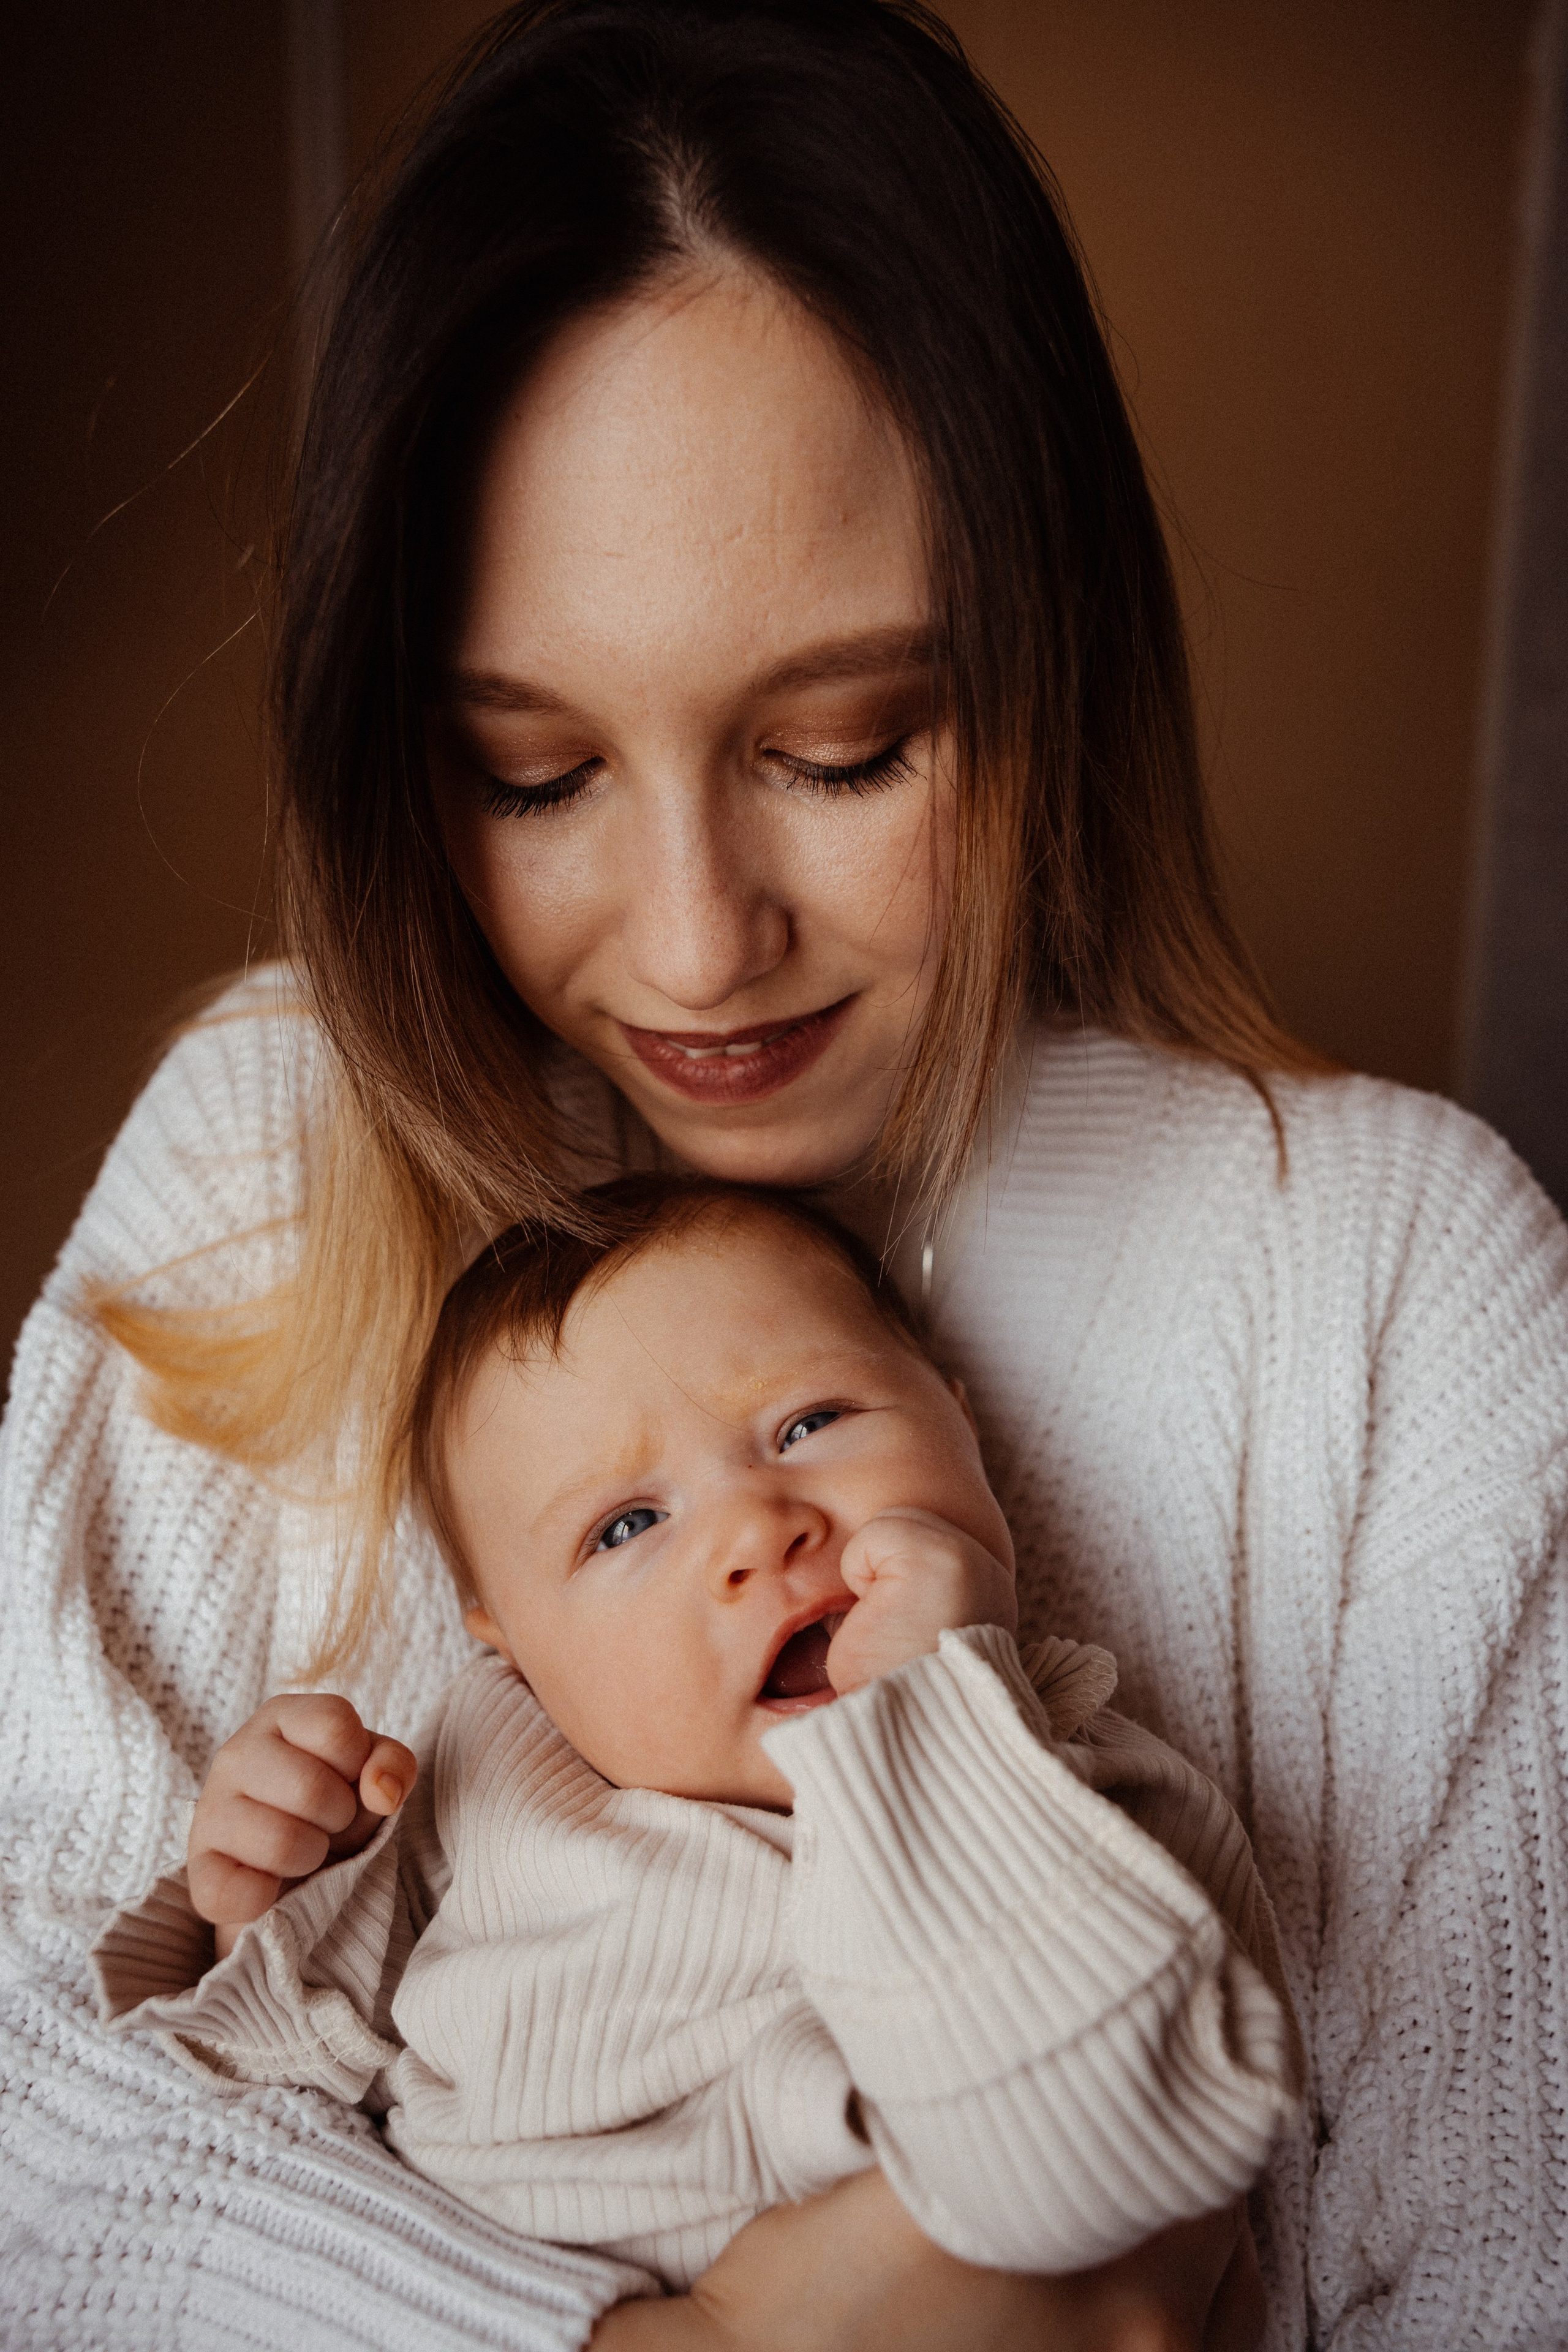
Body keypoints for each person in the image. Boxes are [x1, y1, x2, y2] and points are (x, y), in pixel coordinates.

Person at [2, 1, 1563, 2346]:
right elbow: (47, 2105)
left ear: (1049, 657)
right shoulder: (278, 1156)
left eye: (846, 747)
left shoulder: (1394, 1293)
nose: (699, 944)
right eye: (532, 775)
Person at [90, 1178, 1300, 2290]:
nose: (758, 1529)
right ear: (506, 1644)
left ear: (961, 1426)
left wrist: (933, 1718)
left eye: (810, 1421)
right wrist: (263, 1890)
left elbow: (1092, 2163)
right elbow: (239, 2085)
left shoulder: (1090, 1795)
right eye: (624, 1528)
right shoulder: (483, 1773)